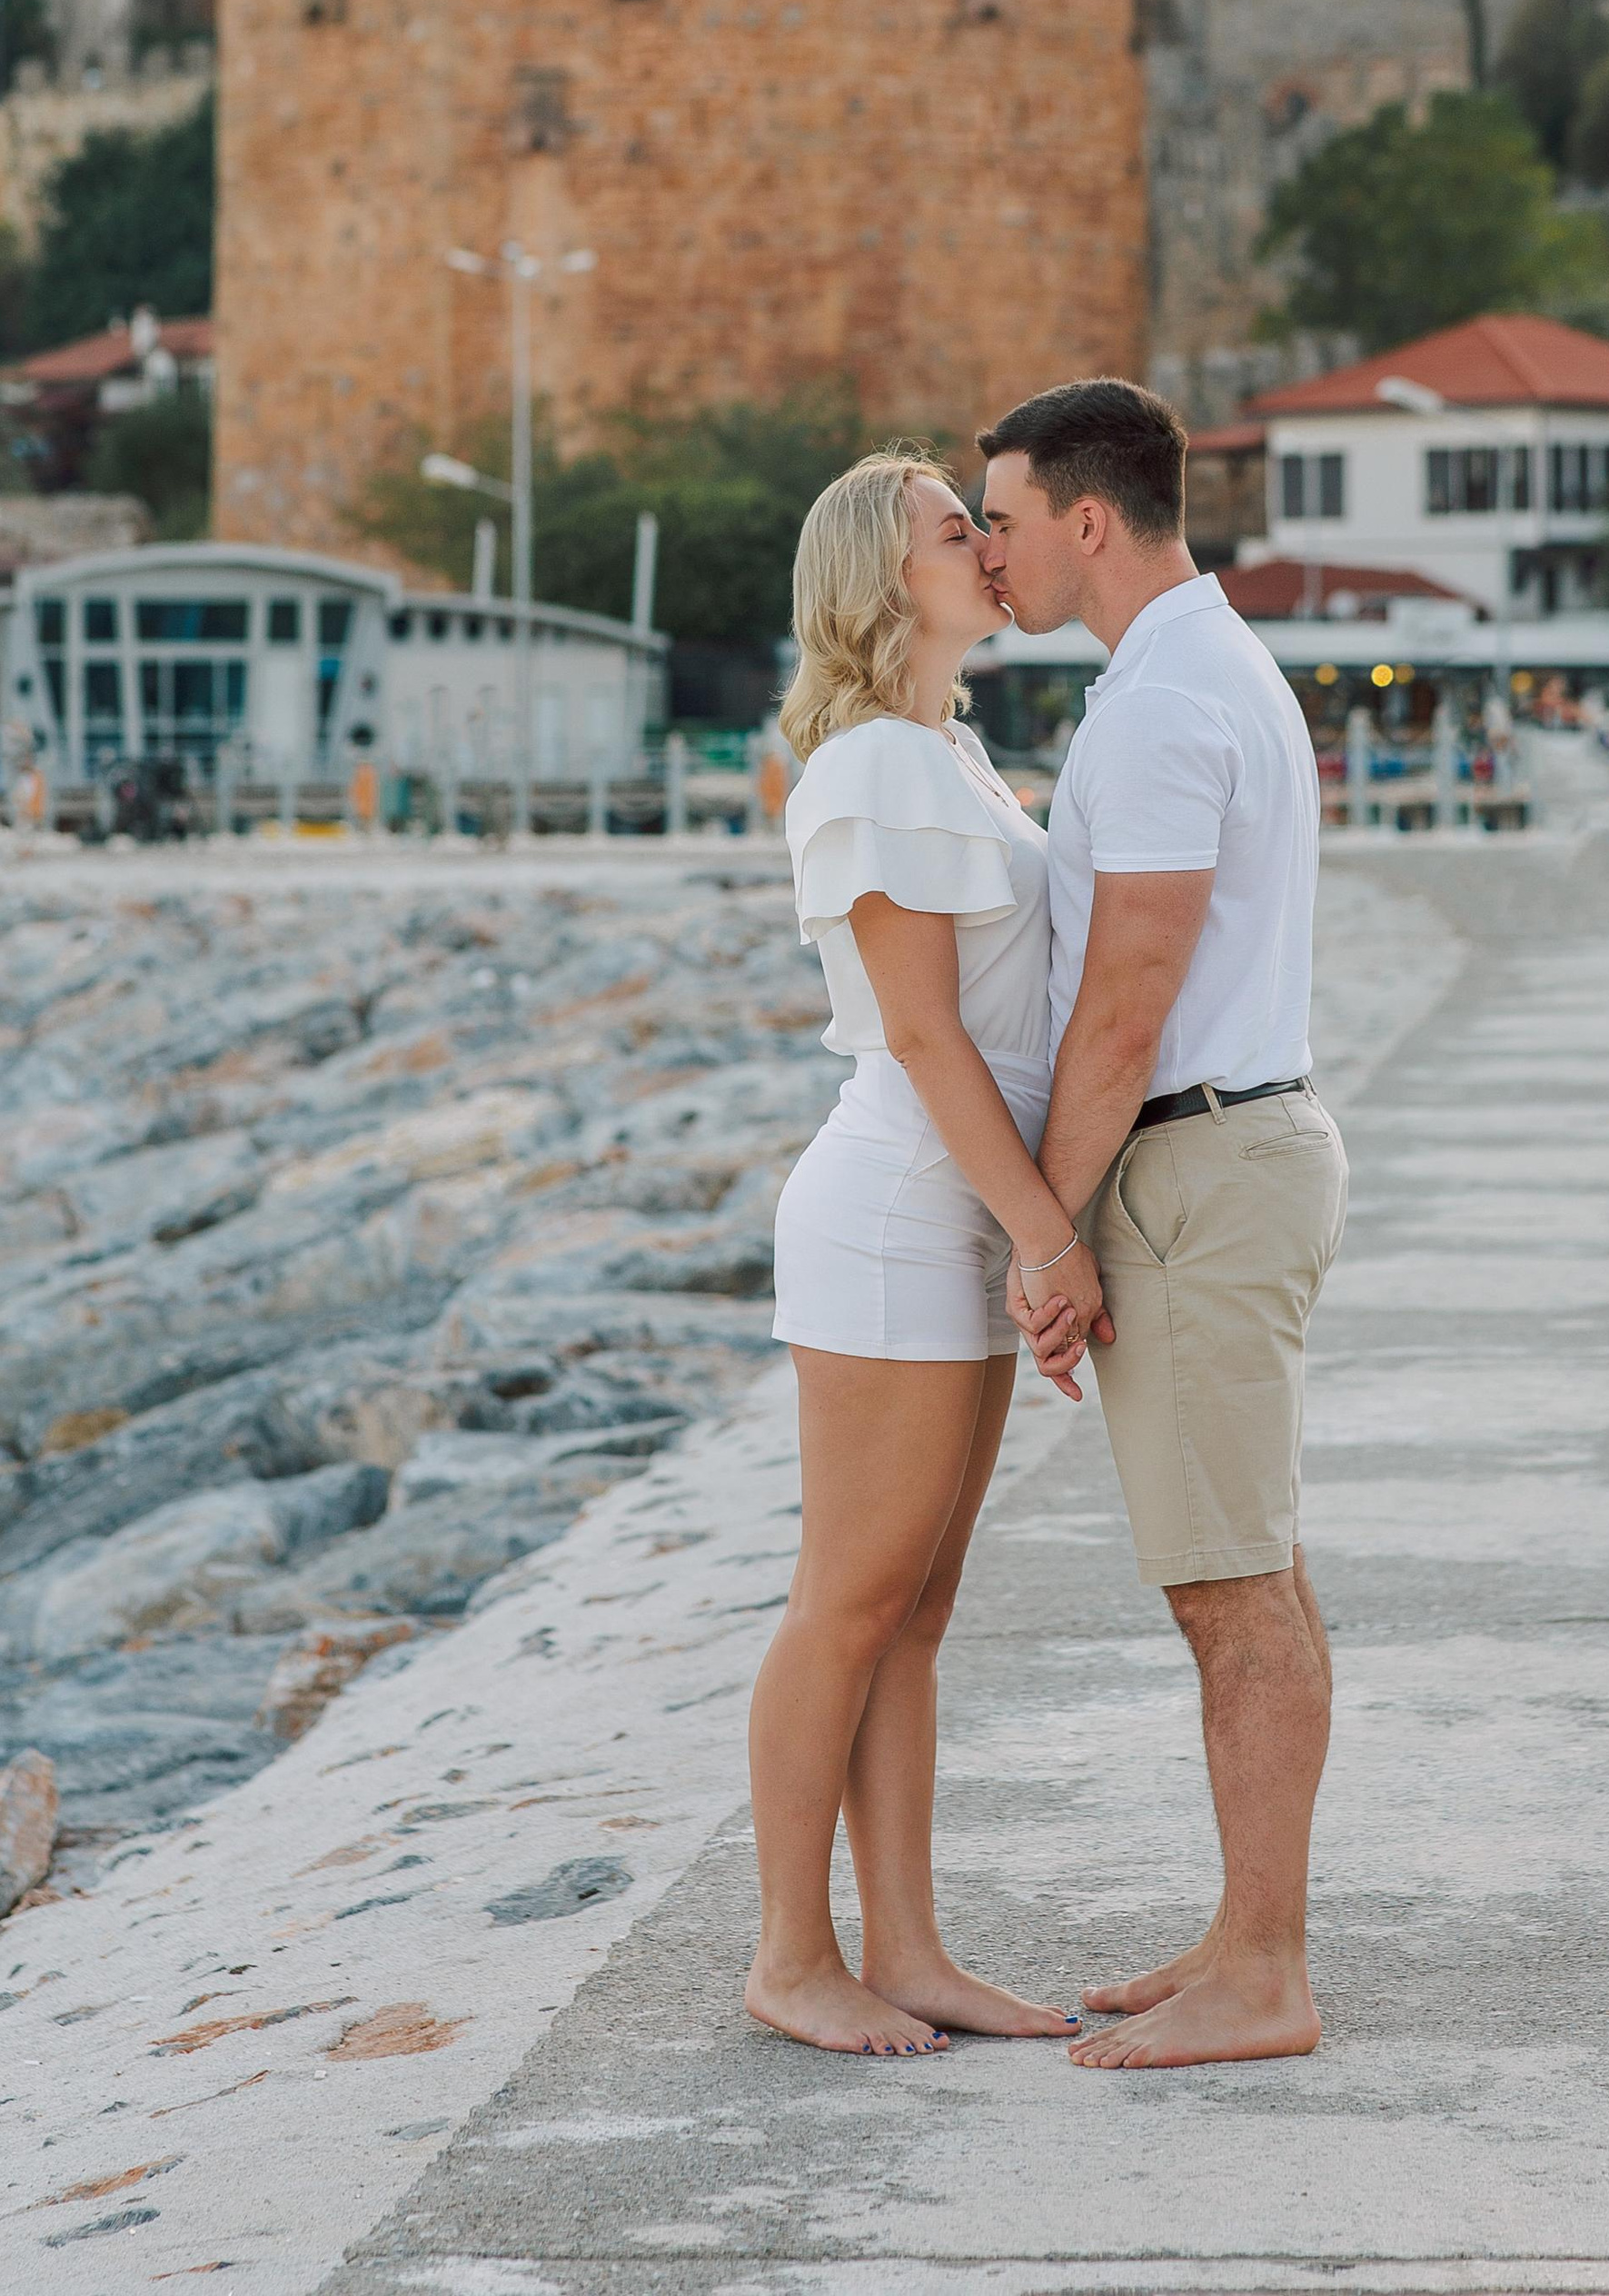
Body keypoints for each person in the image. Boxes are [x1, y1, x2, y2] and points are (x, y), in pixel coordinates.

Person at [978, 377, 1346, 2072]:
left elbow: (1124, 1007)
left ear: (1087, 521)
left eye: (1001, 518)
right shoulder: (1204, 667)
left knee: (1229, 1591)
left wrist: (1045, 1238)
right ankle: (1241, 1932)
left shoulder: (1155, 706)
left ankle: (1265, 1973)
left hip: (1200, 1168)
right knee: (1251, 1564)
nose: (989, 551)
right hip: (1227, 1154)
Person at [744, 448, 1102, 2059]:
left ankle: (910, 1948)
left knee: (920, 1610)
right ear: (888, 581)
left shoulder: (948, 754)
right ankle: (788, 1954)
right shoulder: (877, 768)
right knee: (849, 1597)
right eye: (962, 530)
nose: (994, 543)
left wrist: (1029, 1222)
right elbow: (923, 1034)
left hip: (965, 1212)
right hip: (901, 1214)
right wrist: (1046, 1234)